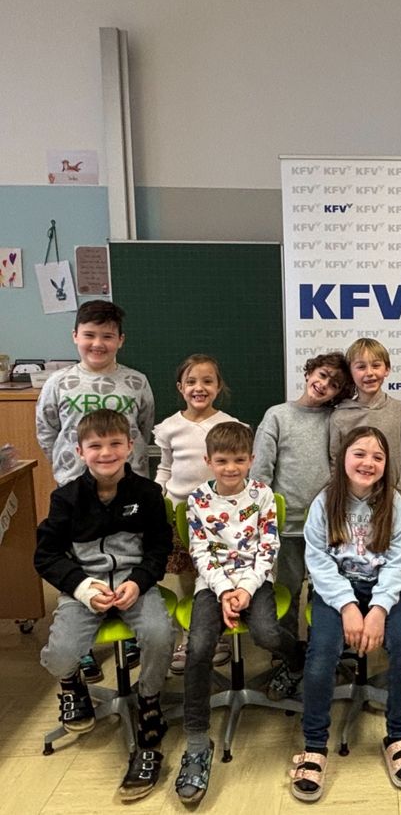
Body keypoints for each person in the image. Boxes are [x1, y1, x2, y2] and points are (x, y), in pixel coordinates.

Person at [34, 409, 174, 801]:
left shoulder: (147, 494)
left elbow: (160, 547)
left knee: (161, 635)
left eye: (115, 443)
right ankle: (71, 683)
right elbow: (46, 556)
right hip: (86, 590)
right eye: (95, 445)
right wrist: (82, 589)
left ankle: (148, 701)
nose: (106, 452)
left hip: (133, 585)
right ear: (80, 451)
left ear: (131, 446)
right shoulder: (65, 498)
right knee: (61, 654)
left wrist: (139, 582)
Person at [289, 426, 401, 803]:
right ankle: (315, 743)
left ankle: (397, 736)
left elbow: (398, 563)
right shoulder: (324, 502)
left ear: (387, 464)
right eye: (360, 453)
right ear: (342, 458)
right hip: (335, 591)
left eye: (378, 457)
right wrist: (348, 606)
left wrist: (378, 609)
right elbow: (317, 562)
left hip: (383, 589)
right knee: (320, 658)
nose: (368, 462)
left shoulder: (393, 502)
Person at [175, 421, 303, 804]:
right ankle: (197, 742)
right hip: (212, 585)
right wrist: (225, 590)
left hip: (256, 581)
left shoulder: (262, 495)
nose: (230, 468)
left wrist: (245, 590)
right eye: (222, 461)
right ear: (208, 461)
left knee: (267, 633)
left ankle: (297, 662)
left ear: (251, 460)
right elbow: (200, 553)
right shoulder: (197, 499)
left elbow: (268, 548)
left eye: (238, 460)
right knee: (198, 648)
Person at [36, 299, 155, 682]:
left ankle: (134, 628)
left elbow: (144, 427)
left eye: (107, 336)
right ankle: (81, 649)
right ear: (75, 337)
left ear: (120, 340)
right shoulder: (59, 383)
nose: (97, 343)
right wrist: (69, 469)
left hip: (128, 489)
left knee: (127, 556)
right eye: (89, 335)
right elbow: (47, 431)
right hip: (76, 490)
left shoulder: (136, 382)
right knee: (81, 563)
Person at [251, 350, 351, 679]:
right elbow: (261, 472)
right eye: (321, 375)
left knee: (326, 591)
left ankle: (326, 651)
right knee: (289, 590)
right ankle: (289, 656)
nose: (324, 384)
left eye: (334, 384)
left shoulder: (335, 419)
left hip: (325, 526)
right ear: (309, 372)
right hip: (287, 526)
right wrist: (261, 519)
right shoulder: (277, 415)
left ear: (340, 392)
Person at [153, 353, 238, 674]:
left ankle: (217, 634)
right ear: (180, 387)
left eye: (207, 381)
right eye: (191, 382)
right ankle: (190, 634)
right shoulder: (169, 427)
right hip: (180, 515)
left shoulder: (230, 426)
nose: (198, 388)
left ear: (218, 387)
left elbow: (237, 473)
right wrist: (156, 496)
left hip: (218, 517)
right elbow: (164, 468)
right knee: (188, 577)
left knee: (217, 575)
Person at [329, 338, 401, 502]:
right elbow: (335, 461)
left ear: (387, 369)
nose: (369, 373)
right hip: (350, 503)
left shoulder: (400, 410)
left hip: (392, 501)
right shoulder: (340, 416)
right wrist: (348, 498)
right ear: (350, 373)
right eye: (361, 367)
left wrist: (400, 494)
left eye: (376, 365)